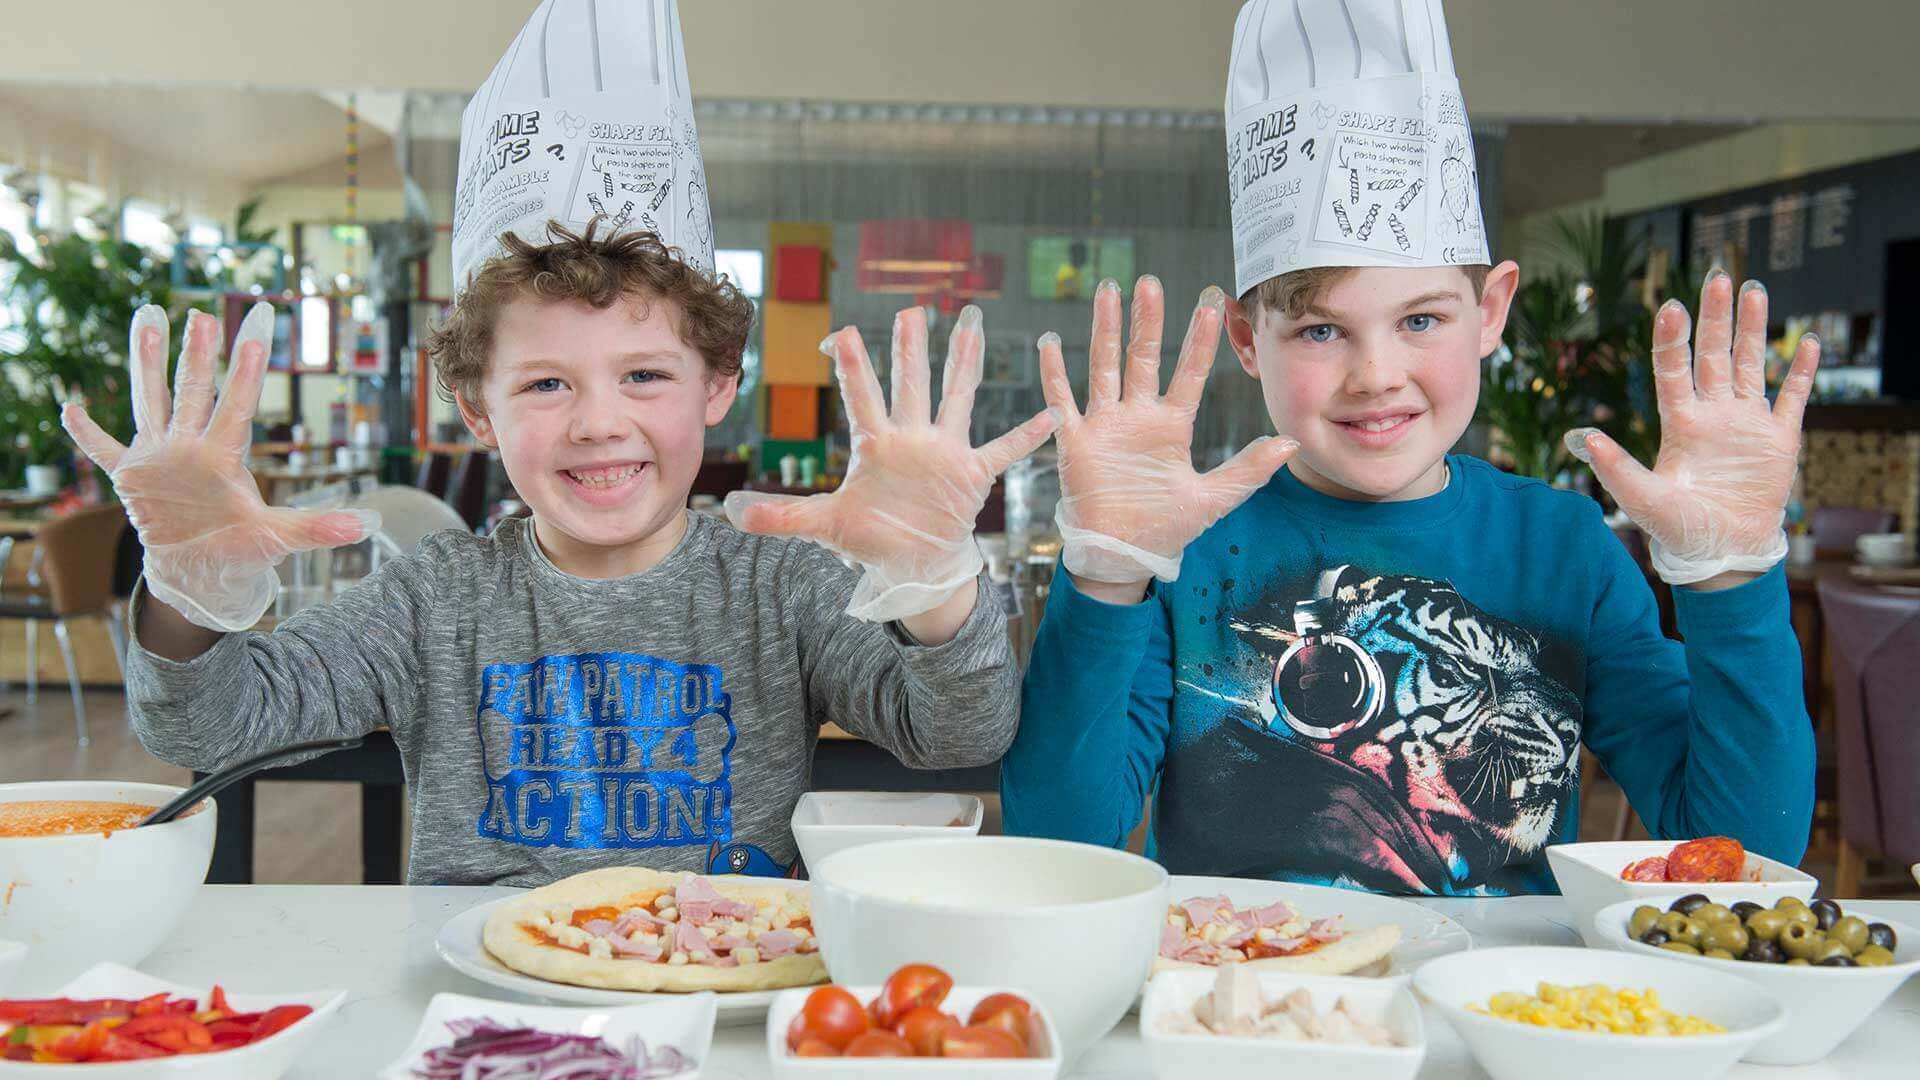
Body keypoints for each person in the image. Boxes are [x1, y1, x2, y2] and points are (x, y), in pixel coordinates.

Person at [62, 0, 1051, 886]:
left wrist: (936, 584)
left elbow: (956, 733)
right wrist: (188, 596)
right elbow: (205, 725)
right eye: (545, 383)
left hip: (728, 989)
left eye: (644, 375)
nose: (597, 421)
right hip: (476, 1009)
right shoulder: (434, 599)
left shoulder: (776, 586)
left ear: (716, 385)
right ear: (476, 409)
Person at [1001, 0, 1817, 895]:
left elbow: (1741, 847)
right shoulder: (1185, 548)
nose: (1375, 374)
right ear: (1245, 336)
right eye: (1319, 331)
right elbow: (1054, 845)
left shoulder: (1564, 549)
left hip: (1504, 1017)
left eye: (1421, 318)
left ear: (1492, 311)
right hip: (1235, 1012)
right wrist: (1109, 574)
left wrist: (1734, 578)